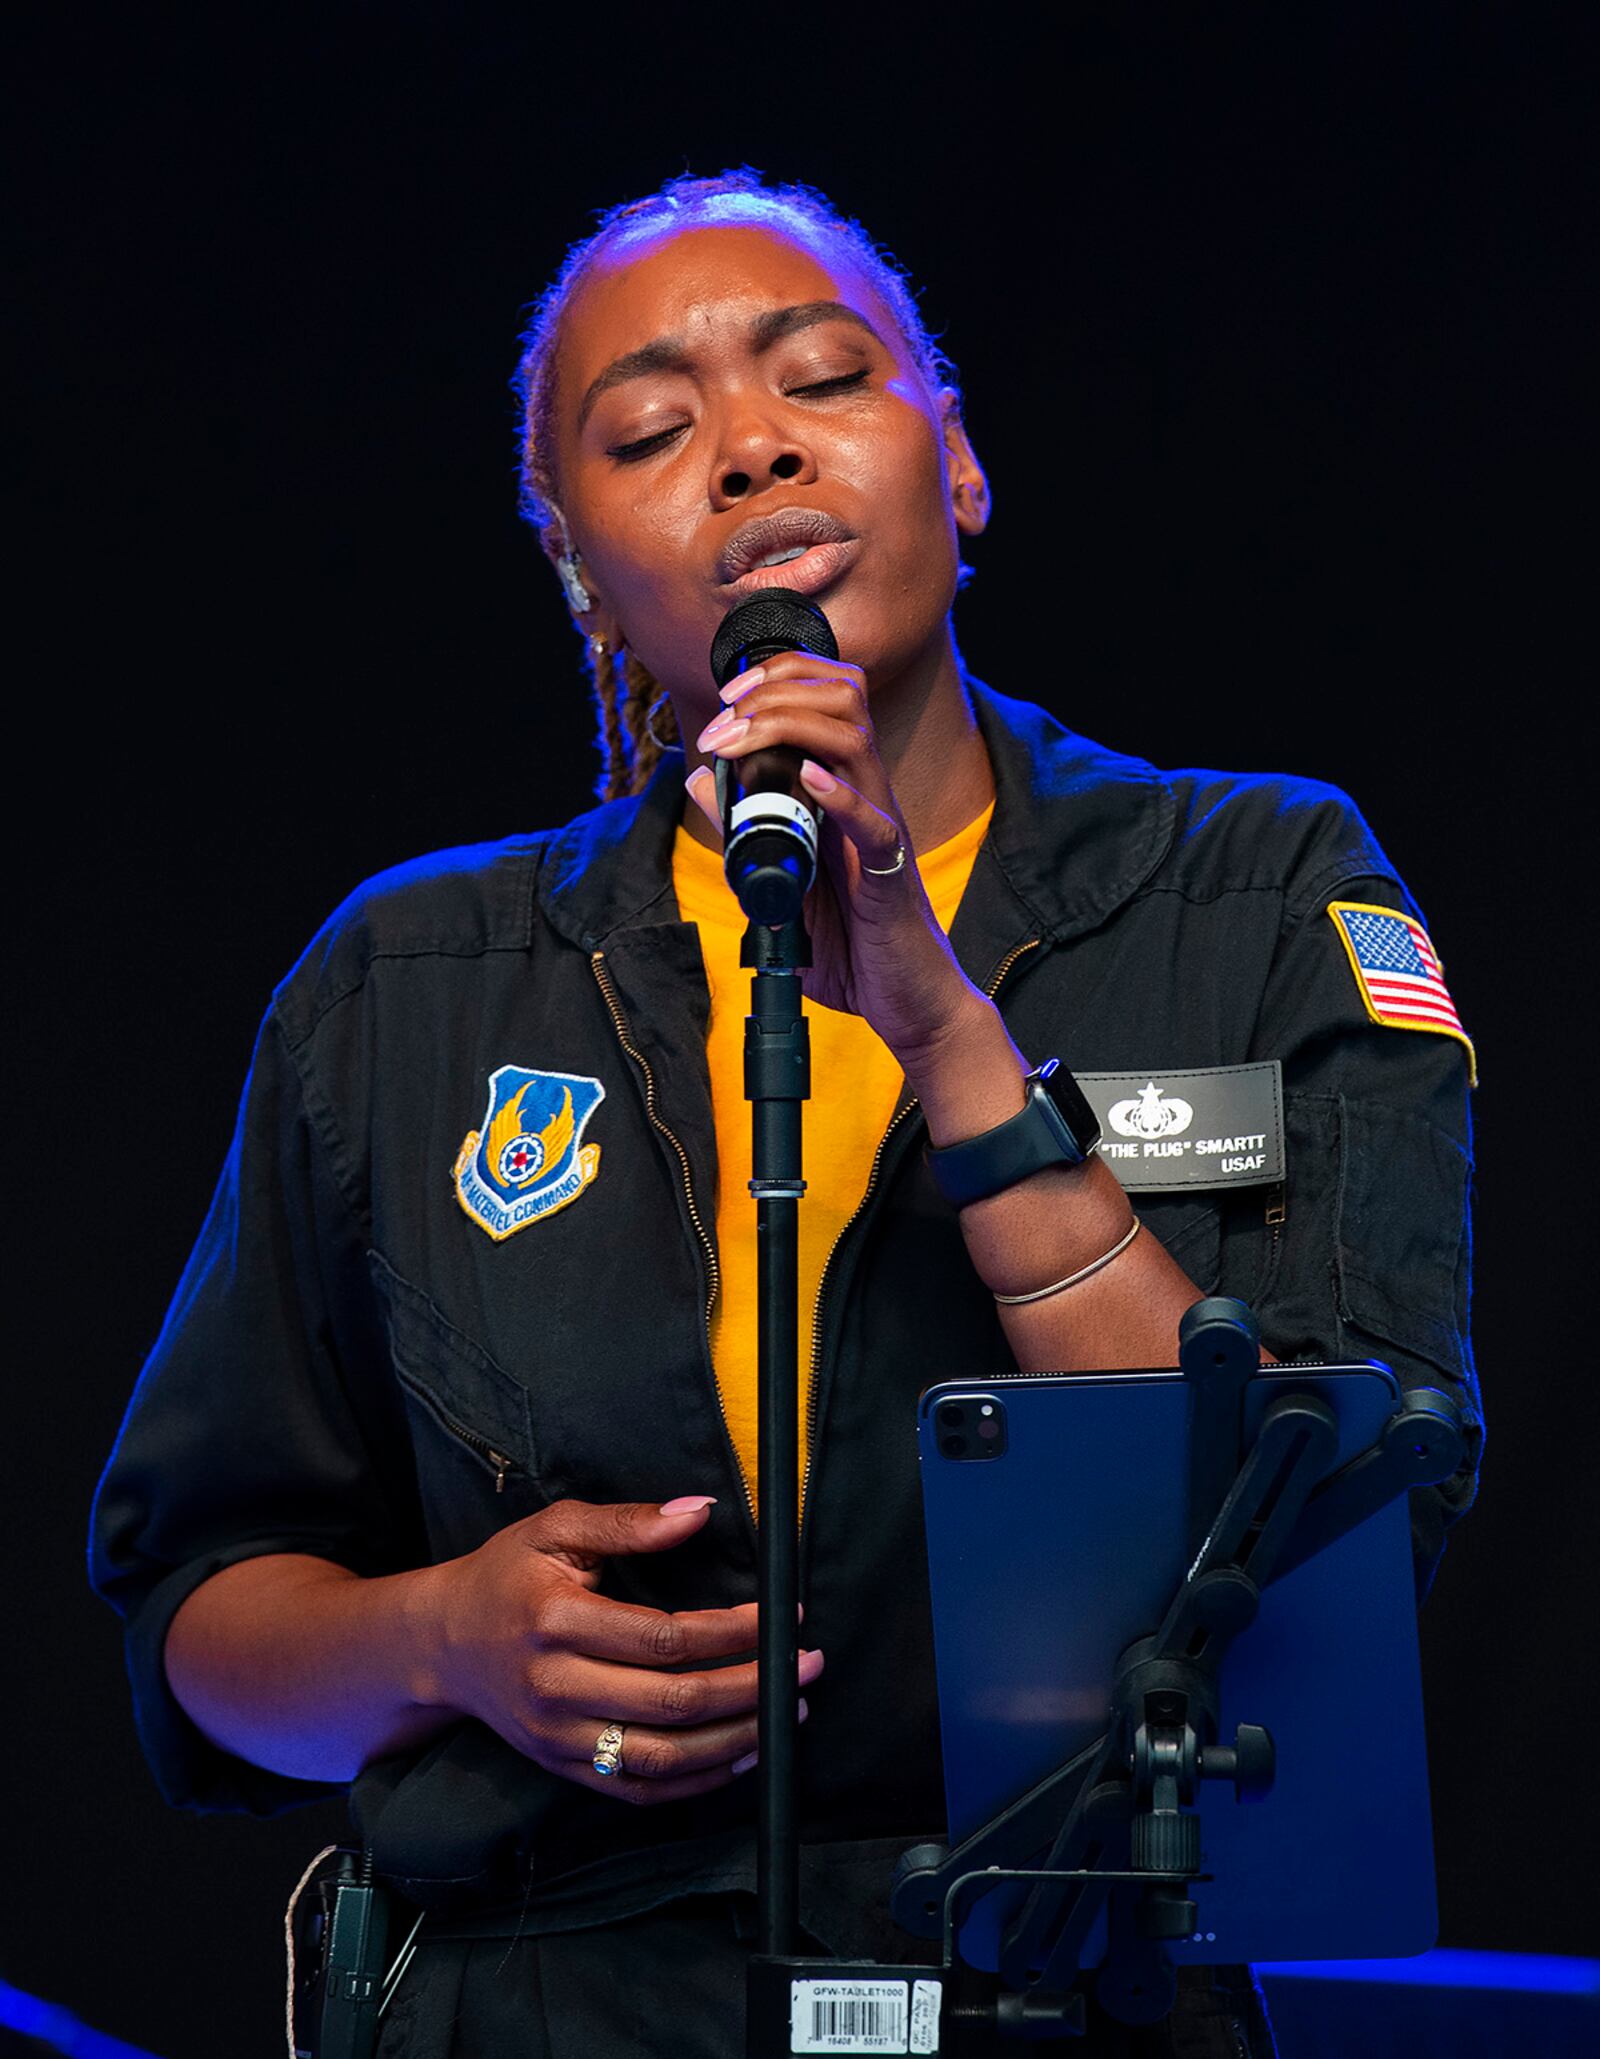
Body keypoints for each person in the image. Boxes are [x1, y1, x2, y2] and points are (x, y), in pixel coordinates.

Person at [91, 170, 1480, 2058]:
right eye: (655, 432)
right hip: (549, 1996)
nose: (748, 452)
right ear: (582, 570)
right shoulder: (404, 986)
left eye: (820, 377)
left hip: (1058, 1992)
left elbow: (1347, 1533)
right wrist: (443, 1644)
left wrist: (954, 1037)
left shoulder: (1257, 893)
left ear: (961, 464)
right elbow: (199, 1624)